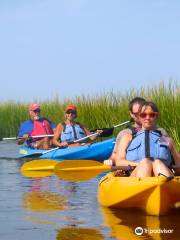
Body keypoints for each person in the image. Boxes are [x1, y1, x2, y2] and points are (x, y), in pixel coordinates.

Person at [115, 101, 180, 177]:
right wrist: (143, 163)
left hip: (162, 174)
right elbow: (119, 162)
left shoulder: (167, 140)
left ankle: (163, 185)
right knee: (146, 163)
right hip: (135, 175)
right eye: (143, 115)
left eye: (152, 115)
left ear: (156, 116)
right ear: (139, 116)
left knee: (157, 163)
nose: (148, 118)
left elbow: (179, 166)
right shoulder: (127, 138)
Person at [104, 97, 146, 165]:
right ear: (131, 114)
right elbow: (115, 156)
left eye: (143, 113)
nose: (141, 116)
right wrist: (110, 161)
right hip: (132, 170)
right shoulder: (124, 134)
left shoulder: (160, 132)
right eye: (137, 114)